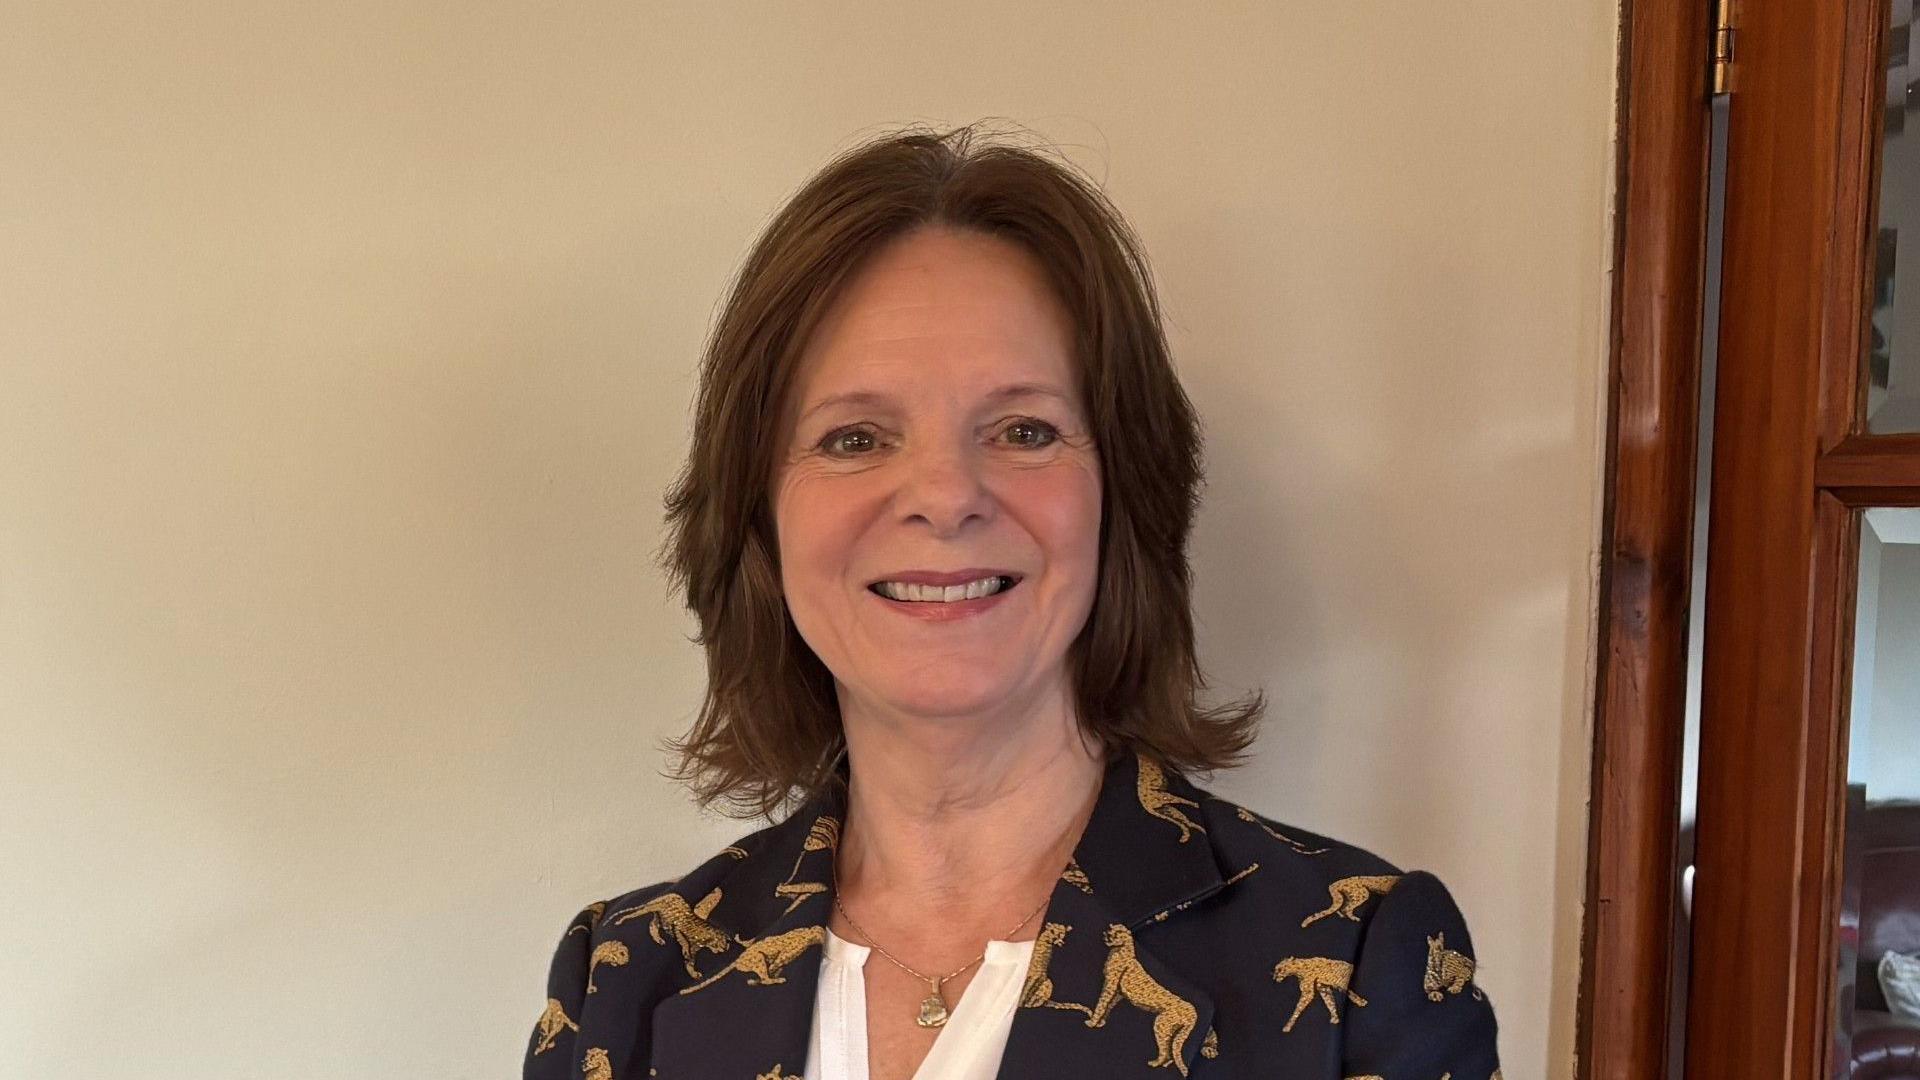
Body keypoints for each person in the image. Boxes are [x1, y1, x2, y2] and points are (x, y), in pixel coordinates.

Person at [523, 122, 1502, 1080]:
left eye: (1025, 431)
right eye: (856, 437)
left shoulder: (1362, 970)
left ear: (1123, 496)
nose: (945, 496)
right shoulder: (622, 981)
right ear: (759, 515)